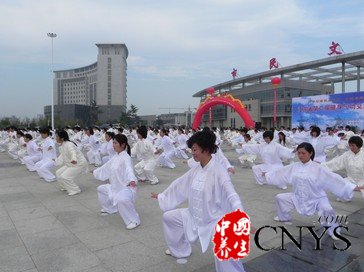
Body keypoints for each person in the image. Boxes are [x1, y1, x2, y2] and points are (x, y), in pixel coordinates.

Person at [151, 130, 245, 272]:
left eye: (194, 149)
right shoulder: (196, 169)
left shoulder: (219, 171)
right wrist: (162, 196)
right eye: (191, 149)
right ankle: (181, 249)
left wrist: (240, 216)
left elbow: (232, 195)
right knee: (169, 218)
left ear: (206, 149)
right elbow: (180, 183)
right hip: (192, 216)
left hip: (213, 220)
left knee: (224, 243)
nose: (192, 153)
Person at [265, 142, 363, 239]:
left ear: (310, 153)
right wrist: (268, 174)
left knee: (327, 209)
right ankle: (283, 217)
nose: (300, 155)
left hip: (317, 198)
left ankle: (334, 230)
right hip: (298, 196)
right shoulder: (294, 166)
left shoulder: (317, 168)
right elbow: (281, 172)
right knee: (280, 198)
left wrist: (352, 187)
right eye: (299, 153)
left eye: (303, 153)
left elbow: (333, 178)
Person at [93, 134, 140, 229]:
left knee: (121, 199)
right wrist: (95, 171)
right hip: (115, 187)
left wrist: (132, 180)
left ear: (122, 145)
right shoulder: (116, 156)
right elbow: (106, 166)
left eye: (115, 143)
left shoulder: (126, 157)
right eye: (113, 143)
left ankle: (134, 220)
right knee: (101, 189)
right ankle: (111, 209)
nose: (113, 145)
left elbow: (129, 169)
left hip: (126, 188)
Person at [55, 130, 88, 196]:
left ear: (62, 138)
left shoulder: (69, 144)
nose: (56, 138)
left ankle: (75, 190)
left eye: (57, 136)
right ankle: (65, 187)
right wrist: (55, 161)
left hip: (78, 164)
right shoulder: (63, 145)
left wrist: (74, 159)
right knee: (58, 173)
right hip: (71, 164)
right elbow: (62, 156)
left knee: (64, 176)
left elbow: (73, 152)